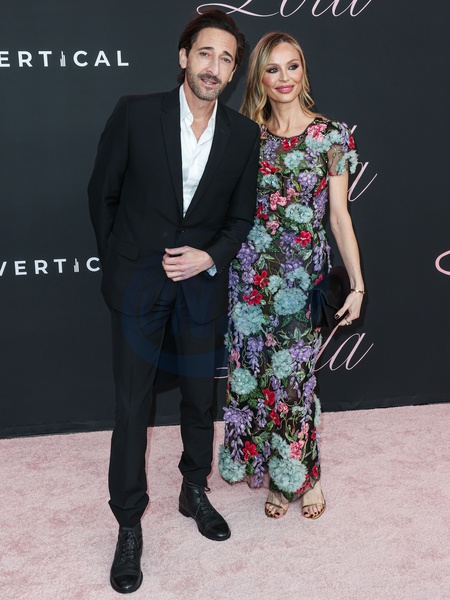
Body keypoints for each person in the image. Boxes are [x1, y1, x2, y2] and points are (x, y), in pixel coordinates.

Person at [88, 9, 259, 594]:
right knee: (132, 406)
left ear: (233, 73)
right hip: (139, 284)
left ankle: (193, 490)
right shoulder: (136, 113)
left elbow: (240, 219)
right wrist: (124, 265)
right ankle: (128, 522)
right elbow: (102, 195)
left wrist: (208, 257)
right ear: (184, 57)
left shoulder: (243, 135)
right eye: (205, 53)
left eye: (226, 59)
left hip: (201, 288)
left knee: (198, 398)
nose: (214, 67)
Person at [219, 32, 365, 520]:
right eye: (272, 69)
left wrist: (358, 285)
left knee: (294, 381)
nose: (284, 78)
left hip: (301, 281)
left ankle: (305, 476)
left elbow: (339, 217)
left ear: (304, 71)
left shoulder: (331, 136)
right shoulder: (245, 134)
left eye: (292, 66)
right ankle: (275, 478)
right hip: (249, 278)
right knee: (254, 378)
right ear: (259, 77)